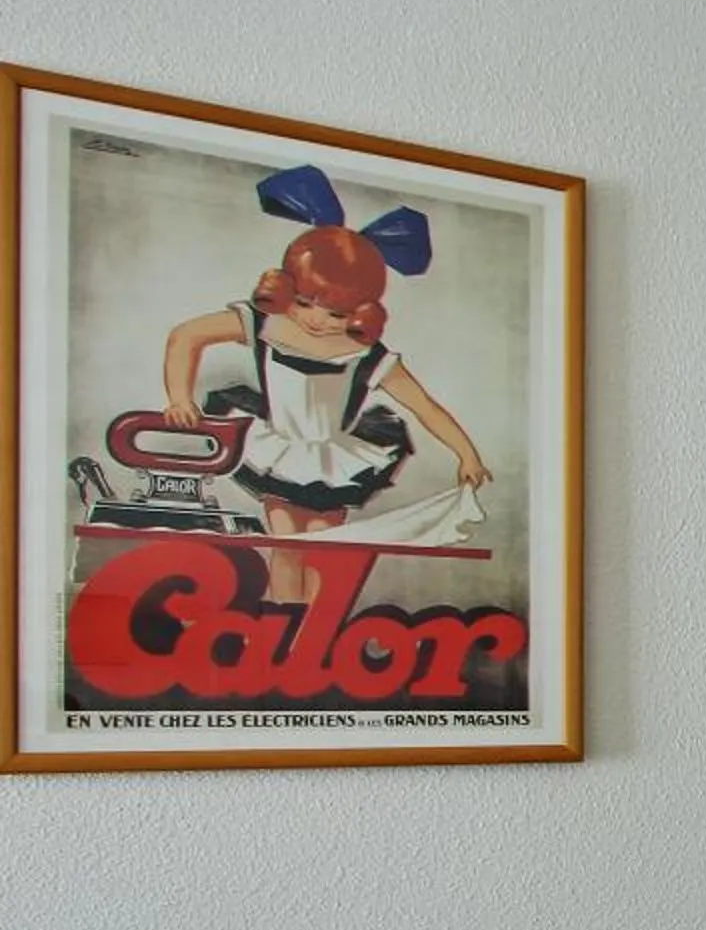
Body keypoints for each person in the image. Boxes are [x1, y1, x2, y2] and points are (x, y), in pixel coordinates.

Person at [160, 164, 492, 605]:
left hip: (333, 455)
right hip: (277, 446)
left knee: (323, 545)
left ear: (360, 311)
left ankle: (312, 639)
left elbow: (424, 406)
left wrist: (466, 451)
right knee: (285, 544)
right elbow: (186, 335)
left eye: (335, 313)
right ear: (284, 289)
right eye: (303, 303)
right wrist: (179, 397)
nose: (317, 320)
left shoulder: (366, 354)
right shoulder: (263, 324)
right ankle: (282, 632)